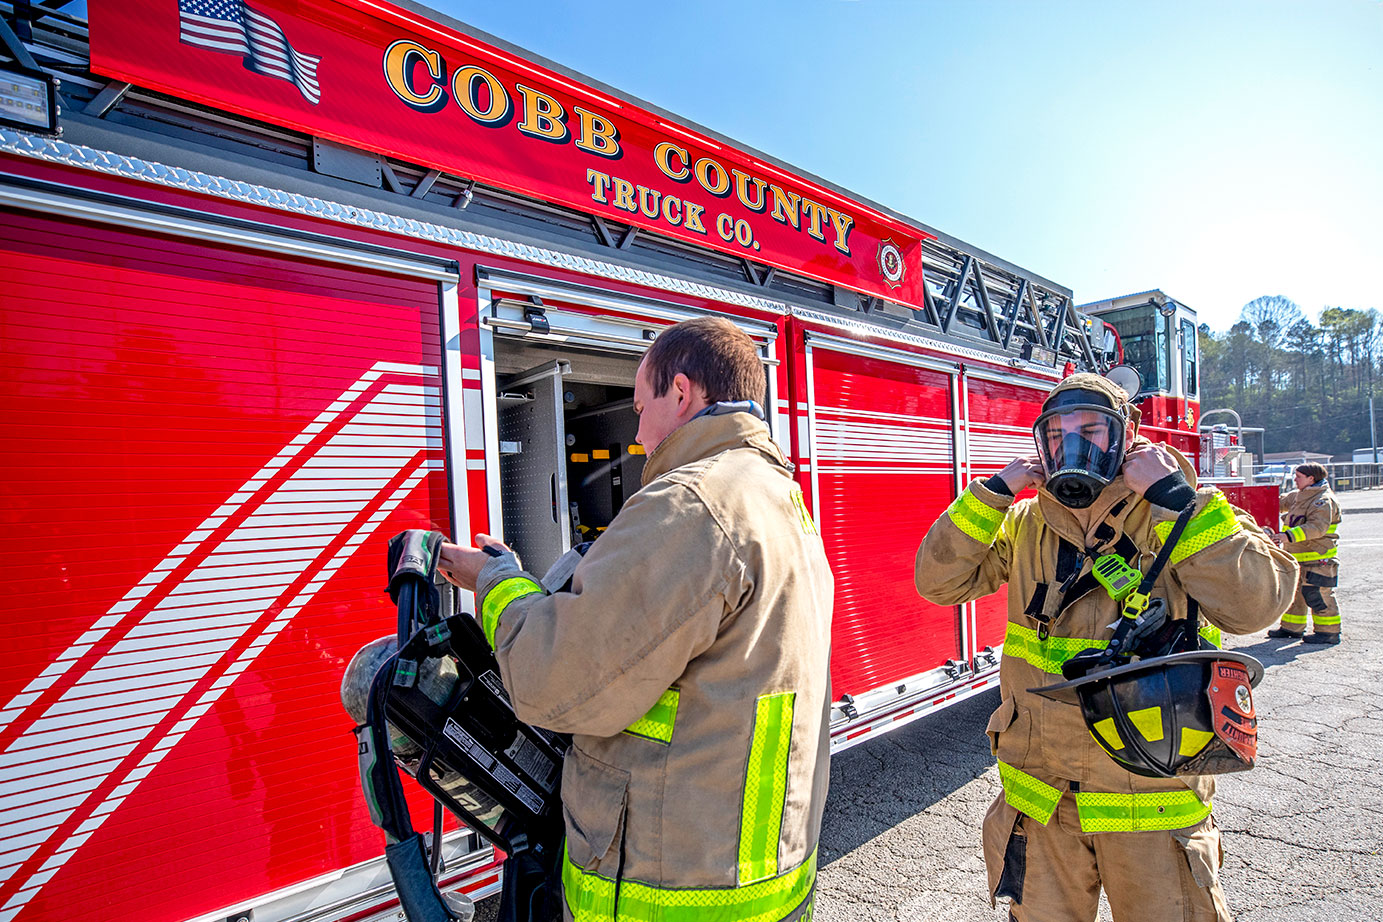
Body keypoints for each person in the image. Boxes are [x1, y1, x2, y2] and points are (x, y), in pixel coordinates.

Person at [437, 317, 833, 922]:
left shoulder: (691, 504)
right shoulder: (778, 496)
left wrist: (495, 582)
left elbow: (555, 682)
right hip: (760, 879)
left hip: (671, 886)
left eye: (642, 406)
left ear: (682, 393)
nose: (640, 436)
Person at [914, 373, 1297, 922]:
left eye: (1092, 430)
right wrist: (993, 492)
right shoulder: (1025, 524)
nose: (1073, 446)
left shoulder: (1181, 512)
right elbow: (937, 582)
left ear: (1128, 436)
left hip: (1149, 803)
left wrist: (1174, 501)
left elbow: (1257, 605)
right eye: (1057, 433)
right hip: (1042, 800)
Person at [1267, 463, 1342, 644]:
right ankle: (1292, 628)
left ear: (1311, 478)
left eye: (1298, 476)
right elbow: (1276, 502)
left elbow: (1317, 528)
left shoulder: (1323, 501)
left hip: (1318, 558)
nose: (1295, 479)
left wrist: (1287, 536)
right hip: (1298, 557)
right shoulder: (1298, 496)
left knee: (1317, 594)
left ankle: (1328, 632)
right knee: (1295, 594)